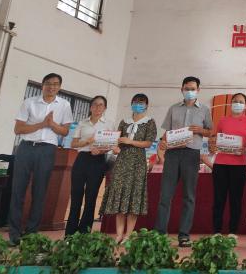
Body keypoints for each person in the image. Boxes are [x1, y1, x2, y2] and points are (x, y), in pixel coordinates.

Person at [9, 73, 74, 245]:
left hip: (47, 150)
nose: (52, 87)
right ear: (42, 85)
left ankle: (31, 234)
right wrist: (42, 124)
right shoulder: (29, 102)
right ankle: (14, 234)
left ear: (59, 87)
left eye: (55, 84)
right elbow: (18, 129)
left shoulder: (64, 105)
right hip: (26, 148)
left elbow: (65, 131)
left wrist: (52, 124)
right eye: (48, 83)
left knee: (39, 192)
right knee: (18, 191)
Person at [155, 76, 213, 247]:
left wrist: (200, 130)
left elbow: (210, 131)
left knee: (189, 196)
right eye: (187, 89)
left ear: (198, 90)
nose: (189, 91)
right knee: (165, 195)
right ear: (182, 89)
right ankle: (159, 235)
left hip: (192, 154)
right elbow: (166, 132)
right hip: (172, 154)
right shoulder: (173, 108)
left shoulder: (204, 109)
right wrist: (163, 142)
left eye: (193, 89)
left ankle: (184, 235)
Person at [100, 93, 158, 243]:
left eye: (141, 102)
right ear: (131, 104)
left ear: (146, 105)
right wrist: (114, 147)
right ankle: (119, 234)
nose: (138, 104)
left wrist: (130, 142)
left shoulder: (150, 122)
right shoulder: (124, 122)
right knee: (120, 195)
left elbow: (148, 143)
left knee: (134, 196)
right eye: (135, 102)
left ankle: (128, 234)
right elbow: (117, 141)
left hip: (138, 161)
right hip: (122, 160)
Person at [209, 92, 246, 236]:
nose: (238, 104)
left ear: (245, 105)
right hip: (220, 164)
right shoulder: (222, 120)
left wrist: (245, 149)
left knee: (236, 200)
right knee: (219, 199)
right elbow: (215, 139)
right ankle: (217, 230)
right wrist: (213, 145)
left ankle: (233, 231)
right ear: (231, 103)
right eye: (235, 101)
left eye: (241, 102)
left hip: (239, 165)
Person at [65, 95, 114, 235]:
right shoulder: (82, 123)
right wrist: (88, 141)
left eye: (101, 105)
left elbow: (111, 145)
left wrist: (101, 150)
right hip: (82, 159)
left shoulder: (109, 124)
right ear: (91, 107)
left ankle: (84, 233)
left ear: (105, 108)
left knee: (91, 197)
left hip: (98, 161)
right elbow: (73, 143)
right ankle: (70, 233)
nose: (98, 107)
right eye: (95, 104)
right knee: (76, 195)